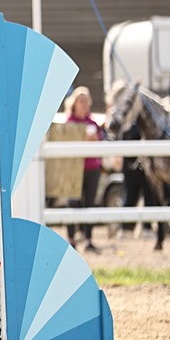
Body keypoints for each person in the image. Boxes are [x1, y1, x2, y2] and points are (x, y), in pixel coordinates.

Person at [64, 87, 104, 252]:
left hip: (92, 167)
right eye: (81, 101)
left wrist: (95, 139)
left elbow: (101, 141)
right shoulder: (68, 123)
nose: (85, 104)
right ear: (74, 103)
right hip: (73, 169)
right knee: (73, 203)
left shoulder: (93, 123)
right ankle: (71, 239)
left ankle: (88, 239)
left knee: (89, 203)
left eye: (87, 101)